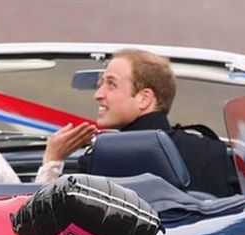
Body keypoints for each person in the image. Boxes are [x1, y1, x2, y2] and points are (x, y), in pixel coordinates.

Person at [46, 48, 233, 195]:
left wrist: (52, 161)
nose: (98, 95)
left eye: (111, 84)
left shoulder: (102, 159)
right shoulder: (212, 150)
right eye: (100, 84)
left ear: (144, 99)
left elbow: (47, 225)